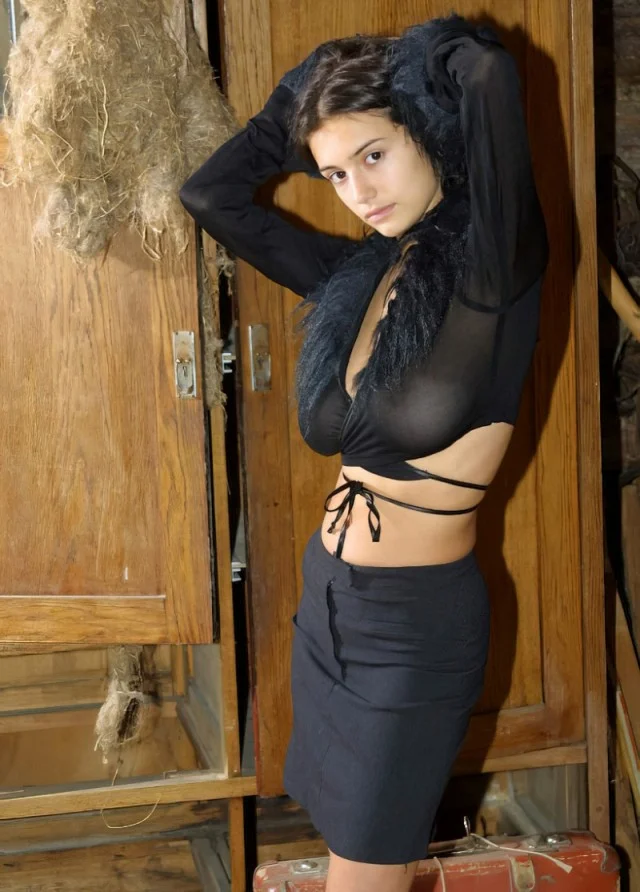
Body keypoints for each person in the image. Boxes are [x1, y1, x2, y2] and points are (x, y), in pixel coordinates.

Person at [180, 12, 548, 892]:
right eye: (335, 173)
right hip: (328, 601)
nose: (358, 192)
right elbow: (210, 197)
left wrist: (409, 63)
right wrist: (300, 100)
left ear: (424, 128)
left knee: (364, 875)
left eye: (374, 155)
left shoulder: (497, 267)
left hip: (414, 631)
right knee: (341, 836)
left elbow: (488, 78)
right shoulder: (359, 276)